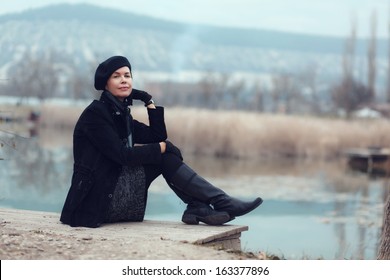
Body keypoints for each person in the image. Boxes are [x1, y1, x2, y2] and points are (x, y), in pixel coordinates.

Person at [60, 55, 262, 228]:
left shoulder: (121, 115)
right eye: (116, 76)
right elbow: (123, 156)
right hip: (96, 203)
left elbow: (157, 135)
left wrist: (148, 100)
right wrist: (162, 148)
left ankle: (199, 206)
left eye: (127, 75)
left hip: (114, 191)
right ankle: (210, 204)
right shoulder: (96, 114)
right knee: (164, 153)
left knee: (165, 153)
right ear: (105, 84)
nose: (124, 80)